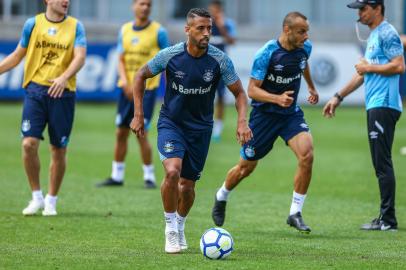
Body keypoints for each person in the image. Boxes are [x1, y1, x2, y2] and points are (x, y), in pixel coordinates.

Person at [130, 8, 252, 253]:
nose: (207, 33)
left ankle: (181, 224)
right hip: (171, 123)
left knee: (187, 186)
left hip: (200, 129)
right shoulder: (171, 55)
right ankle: (170, 229)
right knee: (172, 172)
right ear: (187, 30)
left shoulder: (219, 60)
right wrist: (139, 113)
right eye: (201, 28)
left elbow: (239, 93)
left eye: (209, 28)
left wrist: (242, 121)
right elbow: (140, 75)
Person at [211, 11, 319, 233]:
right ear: (287, 30)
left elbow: (303, 63)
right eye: (302, 32)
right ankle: (222, 195)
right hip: (263, 117)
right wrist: (277, 98)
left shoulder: (304, 48)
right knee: (245, 168)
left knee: (307, 154)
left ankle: (294, 213)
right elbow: (252, 90)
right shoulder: (267, 54)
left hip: (289, 115)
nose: (306, 36)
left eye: (307, 31)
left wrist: (310, 86)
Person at [323, 0, 404, 231]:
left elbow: (399, 66)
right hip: (377, 105)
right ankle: (385, 217)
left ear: (377, 8)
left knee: (382, 163)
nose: (359, 13)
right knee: (380, 162)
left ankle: (388, 220)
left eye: (363, 8)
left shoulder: (387, 32)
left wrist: (368, 68)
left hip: (384, 104)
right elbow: (362, 75)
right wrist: (338, 96)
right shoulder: (374, 35)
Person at [0, 0, 86, 216]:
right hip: (35, 92)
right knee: (28, 144)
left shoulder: (76, 26)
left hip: (63, 94)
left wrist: (65, 77)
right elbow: (18, 55)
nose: (66, 1)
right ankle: (37, 196)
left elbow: (80, 57)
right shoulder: (32, 24)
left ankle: (51, 200)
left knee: (58, 149)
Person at [97, 0, 169, 189]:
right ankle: (117, 175)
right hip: (126, 90)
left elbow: (168, 60)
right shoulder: (125, 30)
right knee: (120, 132)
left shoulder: (158, 31)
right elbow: (120, 59)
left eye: (148, 4)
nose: (145, 7)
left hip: (147, 90)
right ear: (133, 6)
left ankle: (149, 177)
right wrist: (125, 82)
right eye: (141, 3)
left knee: (141, 133)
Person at [208, 0, 237, 141]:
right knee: (204, 95)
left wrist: (221, 26)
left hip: (221, 66)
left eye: (216, 10)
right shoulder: (204, 24)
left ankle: (217, 130)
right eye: (212, 10)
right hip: (205, 65)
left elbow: (232, 41)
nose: (214, 12)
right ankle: (204, 124)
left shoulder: (228, 23)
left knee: (220, 97)